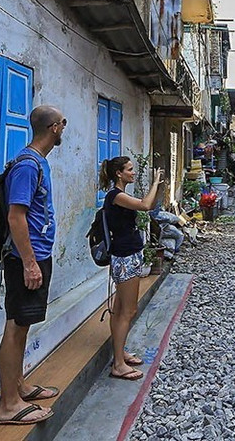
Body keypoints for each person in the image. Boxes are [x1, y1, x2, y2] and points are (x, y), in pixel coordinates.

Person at [0, 105, 66, 426]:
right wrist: (29, 263)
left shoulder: (38, 163)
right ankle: (8, 405)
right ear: (53, 127)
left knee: (22, 323)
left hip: (35, 255)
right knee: (16, 325)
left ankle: (19, 385)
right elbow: (15, 216)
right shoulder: (27, 166)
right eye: (62, 123)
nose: (64, 128)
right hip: (26, 258)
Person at [99, 156, 163, 381]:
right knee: (128, 310)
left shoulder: (121, 196)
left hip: (128, 254)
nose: (133, 173)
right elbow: (145, 206)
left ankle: (120, 352)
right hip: (125, 256)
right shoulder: (116, 196)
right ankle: (118, 364)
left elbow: (149, 206)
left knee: (120, 310)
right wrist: (155, 181)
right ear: (119, 173)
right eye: (129, 169)